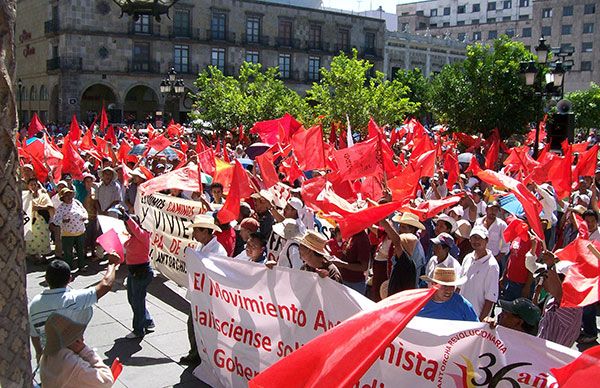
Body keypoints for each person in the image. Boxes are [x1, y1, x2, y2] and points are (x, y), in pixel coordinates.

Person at [28, 256, 119, 362]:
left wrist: (39, 353)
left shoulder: (34, 304)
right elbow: (106, 285)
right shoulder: (74, 299)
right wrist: (112, 264)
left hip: (49, 360)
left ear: (46, 279)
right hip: (73, 357)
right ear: (70, 279)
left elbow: (34, 334)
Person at [180, 214, 225, 366]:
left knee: (201, 327)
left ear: (205, 232)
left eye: (196, 231)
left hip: (208, 298)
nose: (194, 234)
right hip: (198, 296)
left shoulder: (218, 251)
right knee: (193, 324)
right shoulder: (201, 246)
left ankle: (200, 355)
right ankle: (195, 353)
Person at [39, 313, 114, 387]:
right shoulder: (71, 364)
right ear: (72, 340)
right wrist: (84, 350)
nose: (82, 339)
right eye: (78, 335)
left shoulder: (47, 355)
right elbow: (107, 380)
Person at [119, 208, 155, 339]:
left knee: (137, 301)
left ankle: (138, 330)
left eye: (130, 226)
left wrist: (127, 218)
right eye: (126, 226)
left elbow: (136, 229)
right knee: (133, 299)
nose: (128, 228)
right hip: (133, 272)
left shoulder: (143, 236)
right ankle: (147, 321)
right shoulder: (130, 239)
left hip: (142, 273)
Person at [459, 225, 500, 321]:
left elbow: (490, 299)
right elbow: (459, 287)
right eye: (473, 237)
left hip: (475, 318)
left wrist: (479, 323)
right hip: (460, 314)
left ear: (486, 240)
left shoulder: (492, 266)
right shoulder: (468, 258)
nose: (476, 241)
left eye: (479, 238)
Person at [52, 187, 89, 271]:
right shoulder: (60, 208)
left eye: (70, 195)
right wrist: (63, 220)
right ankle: (68, 268)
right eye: (66, 195)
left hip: (80, 231)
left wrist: (84, 217)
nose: (69, 197)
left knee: (80, 250)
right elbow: (56, 220)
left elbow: (84, 212)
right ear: (62, 198)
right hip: (68, 233)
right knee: (68, 252)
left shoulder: (77, 203)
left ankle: (81, 265)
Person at [25, 178, 54, 264]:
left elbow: (49, 206)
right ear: (28, 186)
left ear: (37, 185)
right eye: (31, 185)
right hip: (31, 220)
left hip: (42, 219)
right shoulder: (26, 196)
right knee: (32, 237)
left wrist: (38, 207)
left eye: (35, 184)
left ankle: (44, 256)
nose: (33, 186)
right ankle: (35, 255)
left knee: (43, 237)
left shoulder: (43, 195)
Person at [335, 230, 371, 294]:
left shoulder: (362, 239)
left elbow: (364, 267)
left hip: (355, 284)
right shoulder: (352, 235)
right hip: (345, 280)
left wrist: (342, 264)